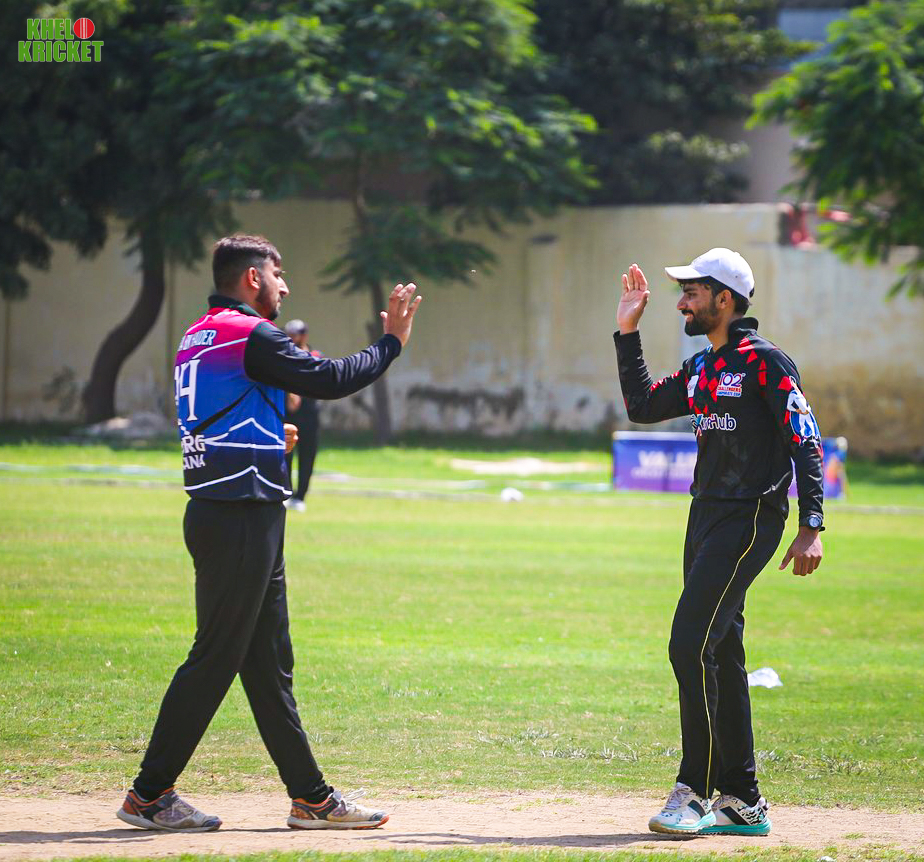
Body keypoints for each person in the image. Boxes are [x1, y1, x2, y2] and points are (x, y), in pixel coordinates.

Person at [117, 234, 421, 833]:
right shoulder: (251, 333)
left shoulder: (198, 334)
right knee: (215, 657)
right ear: (252, 278)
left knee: (267, 664)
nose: (285, 286)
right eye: (278, 274)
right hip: (239, 515)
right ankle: (149, 795)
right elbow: (328, 378)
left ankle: (312, 799)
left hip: (232, 508)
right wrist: (391, 342)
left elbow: (216, 415)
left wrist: (265, 443)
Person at [613, 248, 824, 836]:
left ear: (724, 299)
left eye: (692, 292)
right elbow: (642, 406)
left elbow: (805, 438)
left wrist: (811, 525)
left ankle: (695, 793)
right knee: (722, 651)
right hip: (704, 517)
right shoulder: (704, 366)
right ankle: (743, 801)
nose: (682, 302)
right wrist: (627, 332)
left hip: (750, 518)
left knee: (689, 645)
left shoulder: (765, 362)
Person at [282, 319, 321, 511]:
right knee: (285, 453)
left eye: (294, 335)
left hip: (308, 415)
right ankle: (286, 492)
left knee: (307, 454)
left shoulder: (314, 356)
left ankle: (301, 496)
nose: (290, 338)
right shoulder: (282, 356)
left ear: (303, 336)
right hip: (287, 415)